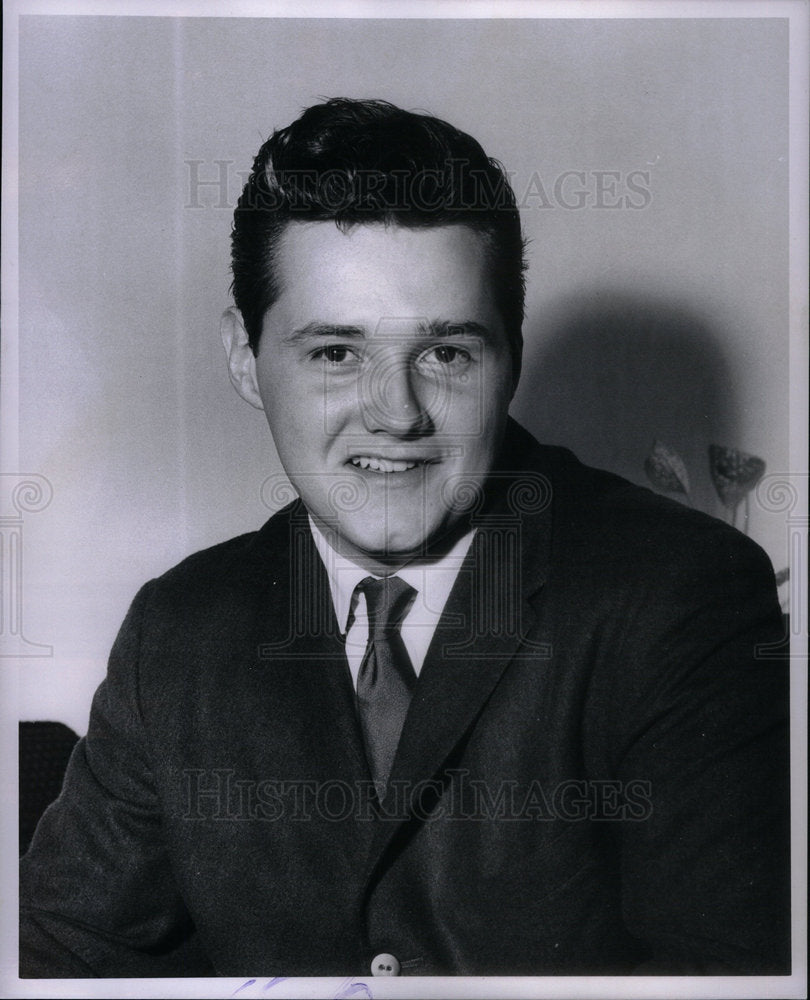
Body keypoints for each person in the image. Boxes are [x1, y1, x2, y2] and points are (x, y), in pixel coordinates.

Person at [20, 98, 790, 979]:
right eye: (335, 353)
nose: (396, 414)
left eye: (448, 353)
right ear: (245, 358)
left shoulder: (678, 597)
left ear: (511, 356)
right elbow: (55, 959)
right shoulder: (180, 630)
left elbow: (726, 982)